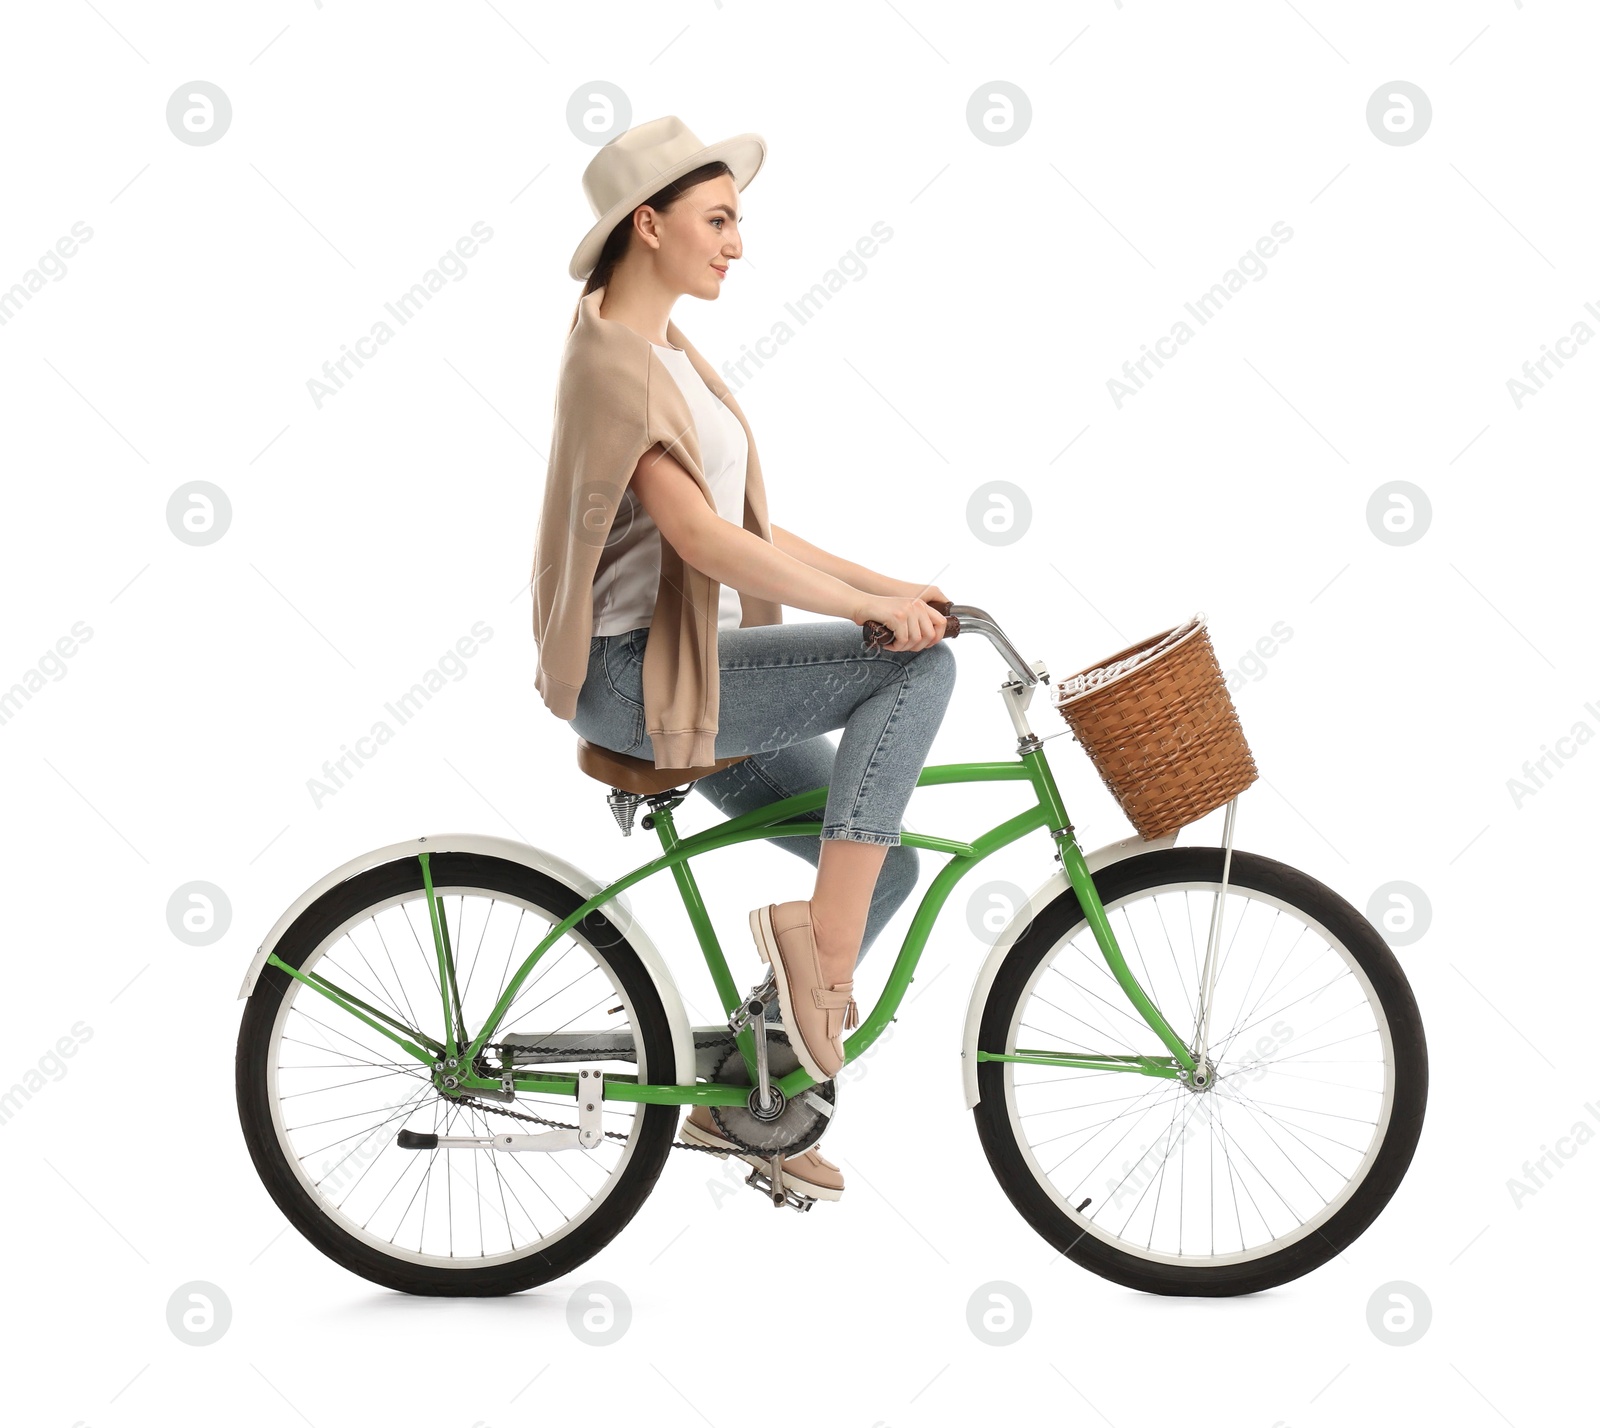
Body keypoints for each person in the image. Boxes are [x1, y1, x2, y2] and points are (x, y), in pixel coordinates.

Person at [531, 117, 957, 1202]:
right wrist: (878, 618)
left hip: (693, 670)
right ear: (648, 223)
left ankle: (747, 1099)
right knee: (913, 673)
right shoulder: (617, 366)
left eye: (734, 223)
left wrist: (888, 587)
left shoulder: (661, 345)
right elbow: (702, 542)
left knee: (887, 862)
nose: (734, 244)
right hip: (644, 681)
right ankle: (818, 972)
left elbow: (749, 528)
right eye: (717, 221)